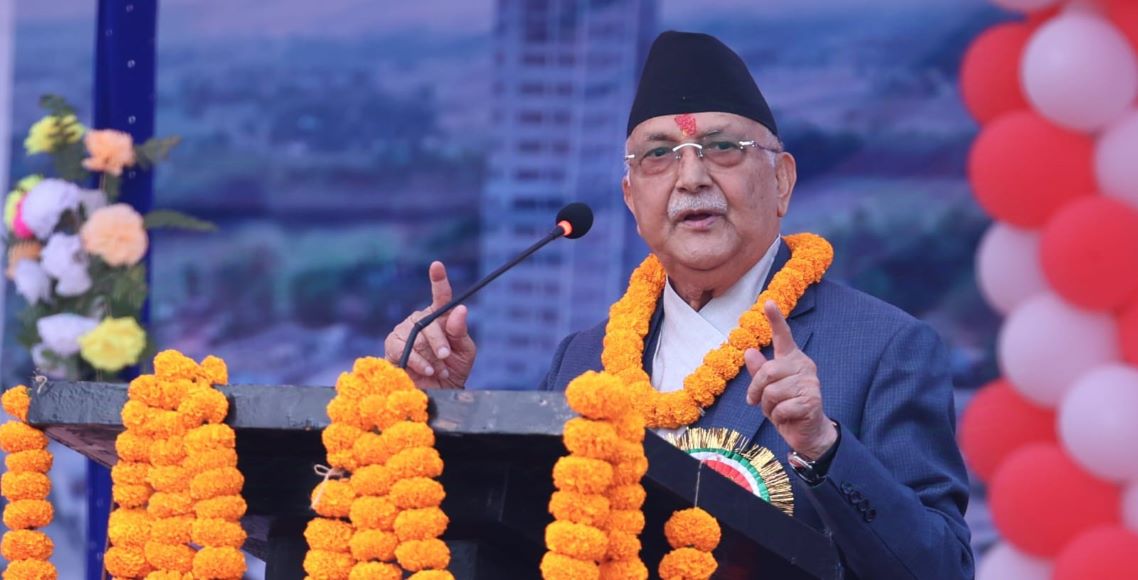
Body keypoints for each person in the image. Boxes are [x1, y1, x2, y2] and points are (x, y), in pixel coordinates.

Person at [385, 31, 972, 579]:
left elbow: (941, 566)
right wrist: (441, 410)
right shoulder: (583, 360)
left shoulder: (882, 348)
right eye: (659, 154)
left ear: (783, 182)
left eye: (722, 148)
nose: (691, 177)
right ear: (631, 197)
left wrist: (824, 446)